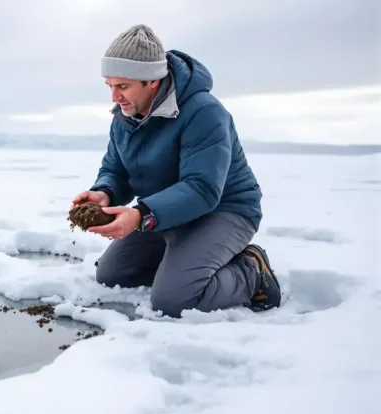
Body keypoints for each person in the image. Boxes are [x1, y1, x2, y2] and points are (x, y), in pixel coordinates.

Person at [71, 24, 281, 318]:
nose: (114, 97)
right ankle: (182, 267)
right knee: (113, 275)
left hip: (225, 211)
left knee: (174, 301)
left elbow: (202, 189)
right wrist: (104, 193)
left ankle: (251, 271)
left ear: (152, 81)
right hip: (166, 213)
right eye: (110, 86)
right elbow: (115, 169)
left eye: (123, 86)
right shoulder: (124, 118)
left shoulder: (204, 112)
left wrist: (141, 215)